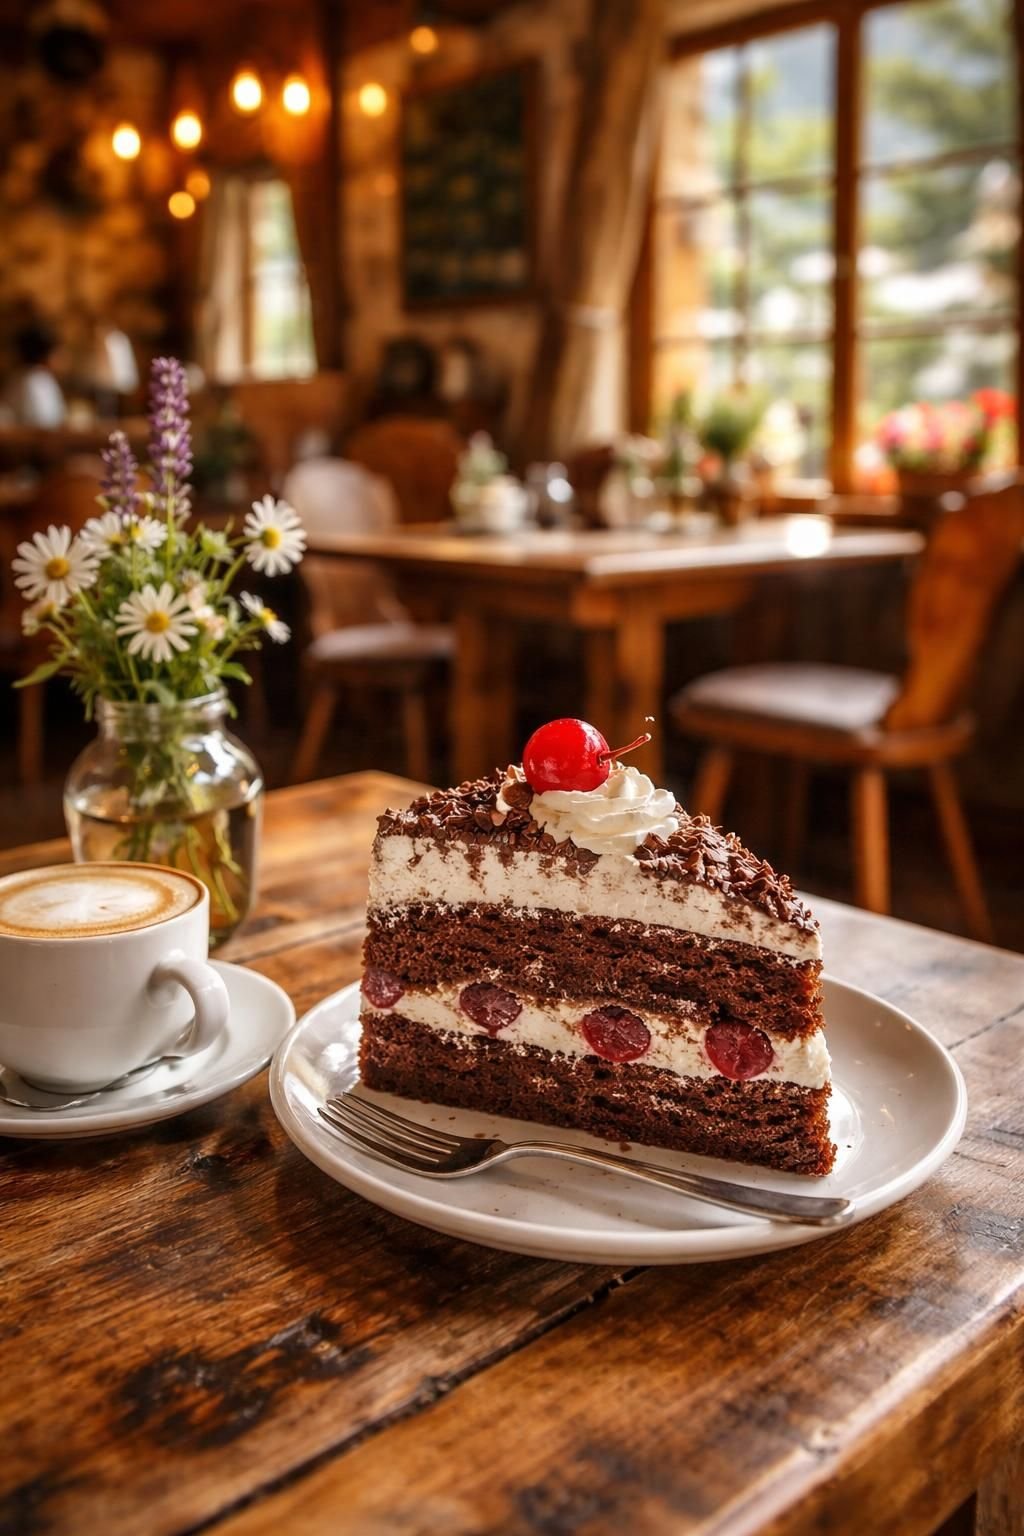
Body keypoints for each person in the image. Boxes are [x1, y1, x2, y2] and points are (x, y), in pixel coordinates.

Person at [4, 319, 67, 428]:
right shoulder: (34, 380)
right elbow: (44, 423)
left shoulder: (22, 377)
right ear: (46, 354)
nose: (63, 357)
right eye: (58, 352)